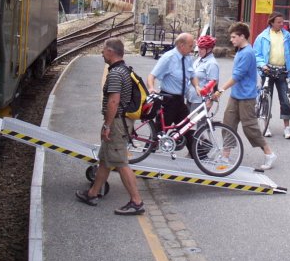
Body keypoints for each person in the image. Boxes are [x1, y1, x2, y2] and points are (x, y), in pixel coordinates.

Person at [75, 38, 144, 215]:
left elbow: (113, 101)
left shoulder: (115, 74)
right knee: (106, 159)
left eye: (103, 50)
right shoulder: (124, 70)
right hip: (120, 122)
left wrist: (107, 125)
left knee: (120, 162)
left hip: (117, 124)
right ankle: (92, 193)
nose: (102, 53)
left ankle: (136, 202)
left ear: (111, 52)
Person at [215, 22, 277, 170]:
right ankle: (225, 156)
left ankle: (269, 153)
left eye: (234, 37)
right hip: (236, 95)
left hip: (247, 97)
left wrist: (220, 90)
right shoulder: (241, 51)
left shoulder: (248, 53)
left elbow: (237, 76)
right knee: (228, 124)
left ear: (242, 36)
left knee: (250, 128)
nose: (231, 40)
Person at [253, 12, 290, 139]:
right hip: (267, 71)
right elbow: (256, 54)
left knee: (285, 100)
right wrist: (262, 64)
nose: (282, 24)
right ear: (271, 22)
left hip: (283, 71)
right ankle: (266, 125)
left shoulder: (286, 34)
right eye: (279, 22)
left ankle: (287, 128)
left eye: (283, 22)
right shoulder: (262, 37)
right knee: (265, 100)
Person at [147, 32, 198, 129]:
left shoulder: (188, 58)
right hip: (168, 100)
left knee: (186, 130)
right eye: (190, 46)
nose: (192, 49)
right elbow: (151, 75)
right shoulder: (168, 58)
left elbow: (192, 75)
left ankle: (189, 144)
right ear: (182, 45)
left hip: (180, 100)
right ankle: (154, 144)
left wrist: (197, 86)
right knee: (160, 133)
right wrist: (151, 88)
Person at [187, 35, 219, 112]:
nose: (199, 50)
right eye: (199, 47)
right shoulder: (199, 59)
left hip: (200, 101)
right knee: (187, 122)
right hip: (190, 97)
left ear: (209, 49)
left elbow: (214, 82)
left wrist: (210, 100)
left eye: (202, 48)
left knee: (200, 123)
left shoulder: (212, 64)